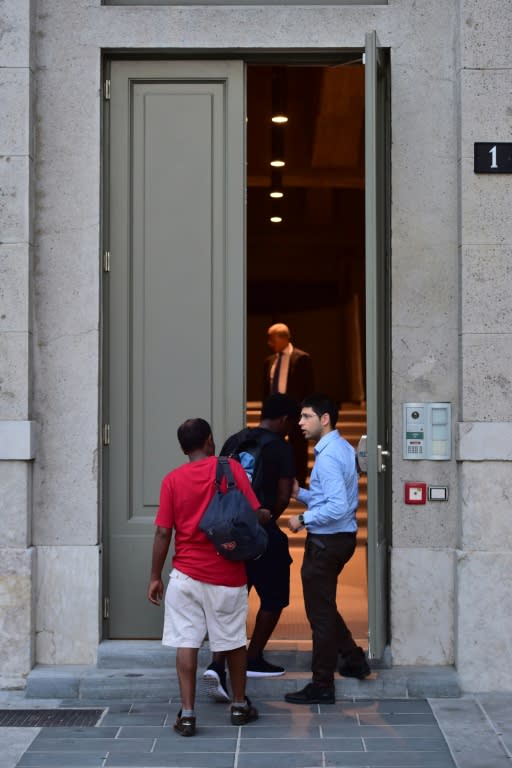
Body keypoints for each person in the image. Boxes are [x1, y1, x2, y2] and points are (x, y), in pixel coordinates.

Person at [148, 418, 268, 736]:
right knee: (232, 642)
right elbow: (253, 512)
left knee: (186, 642)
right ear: (210, 441)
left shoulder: (172, 480)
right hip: (226, 574)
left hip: (185, 575)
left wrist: (154, 576)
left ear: (183, 447)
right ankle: (240, 706)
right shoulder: (231, 469)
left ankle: (187, 714)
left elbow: (162, 532)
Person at [203, 394, 298, 702]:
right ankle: (253, 656)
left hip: (230, 533)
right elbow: (284, 494)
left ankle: (217, 665)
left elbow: (219, 481)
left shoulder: (233, 441)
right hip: (262, 533)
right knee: (274, 596)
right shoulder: (282, 448)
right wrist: (267, 517)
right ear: (284, 419)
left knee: (231, 598)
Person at [285, 394, 370, 705]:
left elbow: (336, 506)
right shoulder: (341, 448)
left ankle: (322, 684)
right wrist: (302, 494)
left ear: (324, 419)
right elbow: (336, 499)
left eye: (306, 416)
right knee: (324, 607)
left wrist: (302, 518)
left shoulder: (330, 456)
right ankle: (354, 659)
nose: (300, 422)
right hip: (338, 539)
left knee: (319, 615)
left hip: (327, 542)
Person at [263, 323, 314, 486]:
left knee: (298, 446)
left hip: (295, 411)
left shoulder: (302, 358)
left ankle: (298, 480)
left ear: (284, 338)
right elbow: (265, 389)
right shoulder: (269, 361)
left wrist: (307, 412)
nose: (269, 343)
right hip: (274, 412)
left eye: (272, 339)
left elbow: (309, 387)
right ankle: (276, 480)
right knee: (272, 447)